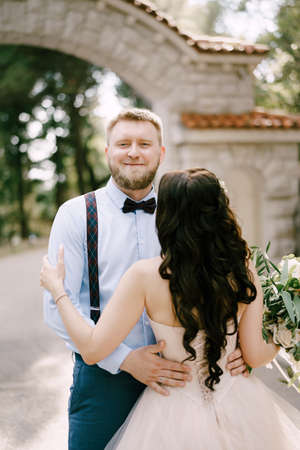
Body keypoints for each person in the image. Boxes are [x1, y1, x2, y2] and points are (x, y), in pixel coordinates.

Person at [43, 110, 249, 450]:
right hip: (106, 378)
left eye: (144, 143)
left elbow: (223, 278)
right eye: (123, 143)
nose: (133, 152)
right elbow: (57, 306)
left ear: (161, 153)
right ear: (107, 151)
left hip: (186, 380)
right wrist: (126, 360)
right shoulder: (76, 214)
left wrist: (238, 346)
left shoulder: (186, 209)